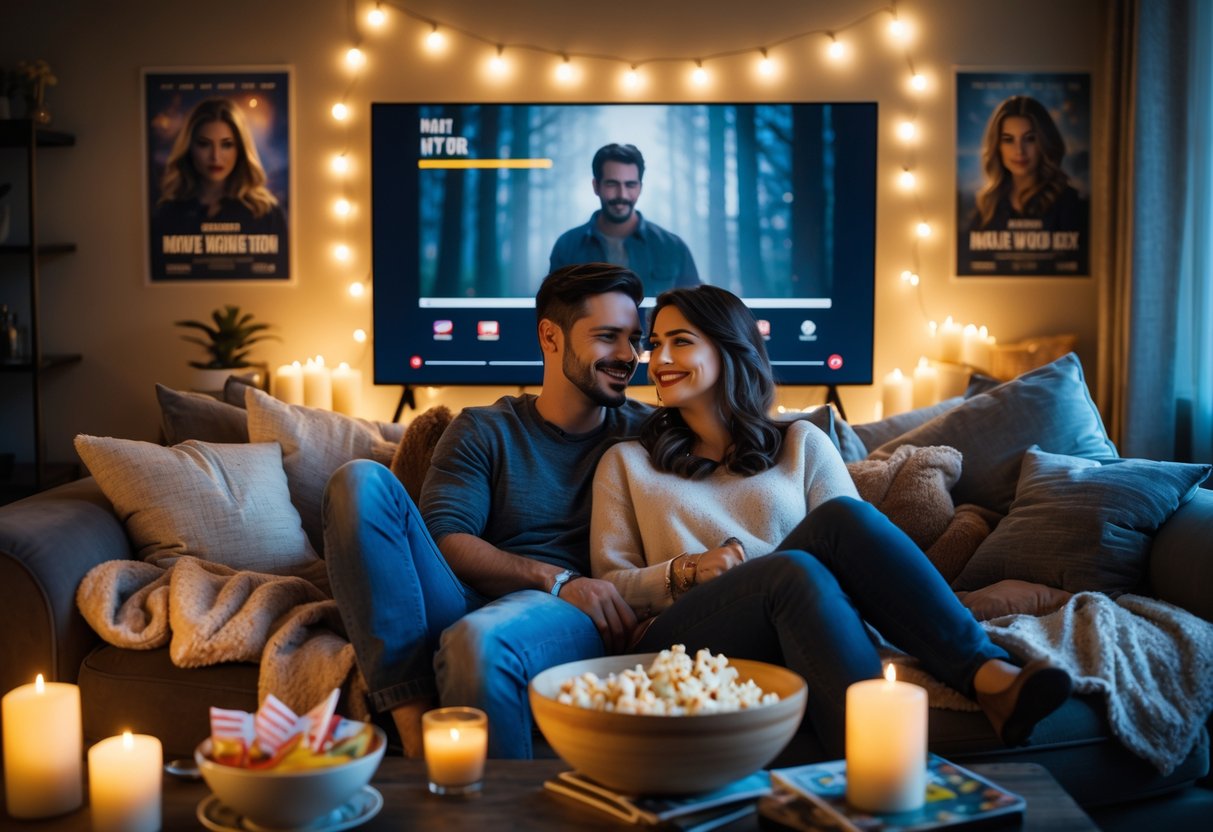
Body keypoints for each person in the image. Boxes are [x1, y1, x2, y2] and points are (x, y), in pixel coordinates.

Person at [590, 284, 1073, 755]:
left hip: (797, 612)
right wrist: (686, 570)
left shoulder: (803, 443)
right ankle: (882, 759)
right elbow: (610, 586)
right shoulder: (628, 462)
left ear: (730, 349)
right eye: (655, 345)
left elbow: (854, 561)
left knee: (840, 520)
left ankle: (991, 679)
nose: (659, 358)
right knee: (791, 569)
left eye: (680, 342)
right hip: (682, 638)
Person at [322, 263, 651, 759]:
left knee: (478, 641)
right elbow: (446, 539)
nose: (627, 355)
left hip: (564, 618)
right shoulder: (484, 428)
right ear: (550, 337)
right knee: (357, 482)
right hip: (466, 597)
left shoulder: (649, 433)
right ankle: (414, 733)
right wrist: (556, 578)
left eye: (634, 339)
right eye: (608, 337)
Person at [151, 97, 287, 278]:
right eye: (204, 144)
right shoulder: (167, 212)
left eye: (226, 145)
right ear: (189, 147)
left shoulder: (266, 212)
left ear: (240, 149)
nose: (215, 156)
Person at [550, 143, 700, 297]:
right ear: (596, 186)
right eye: (612, 184)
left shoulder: (673, 248)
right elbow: (553, 310)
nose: (622, 194)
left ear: (640, 188)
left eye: (630, 185)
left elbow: (695, 313)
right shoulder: (567, 247)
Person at [967, 95, 1085, 233]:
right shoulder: (987, 206)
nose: (1019, 151)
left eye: (1029, 139)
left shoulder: (1069, 202)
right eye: (1008, 140)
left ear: (1044, 142)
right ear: (997, 146)